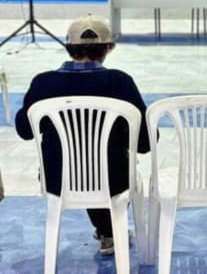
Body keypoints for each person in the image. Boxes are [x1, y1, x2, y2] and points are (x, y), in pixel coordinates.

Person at [15, 15, 150, 256]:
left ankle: (106, 230)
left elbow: (24, 130)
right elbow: (145, 142)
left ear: (69, 47)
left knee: (79, 161)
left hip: (58, 177)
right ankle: (110, 231)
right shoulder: (120, 82)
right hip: (112, 178)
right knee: (106, 162)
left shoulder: (43, 83)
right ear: (108, 48)